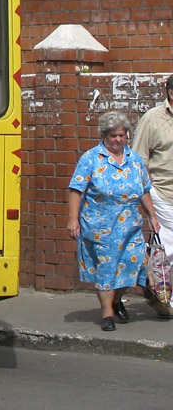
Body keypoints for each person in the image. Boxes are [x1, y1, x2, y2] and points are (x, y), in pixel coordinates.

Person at [66, 110, 161, 331]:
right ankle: (107, 313)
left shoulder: (134, 159)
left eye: (122, 135)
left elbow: (144, 190)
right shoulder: (91, 159)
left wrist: (152, 215)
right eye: (113, 136)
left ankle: (117, 299)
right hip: (101, 226)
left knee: (134, 264)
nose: (118, 139)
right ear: (104, 136)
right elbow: (76, 189)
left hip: (130, 226)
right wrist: (73, 219)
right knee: (106, 268)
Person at [132, 75, 173, 263]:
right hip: (164, 194)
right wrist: (150, 193)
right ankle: (165, 290)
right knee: (168, 249)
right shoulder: (152, 118)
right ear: (171, 93)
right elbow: (138, 160)